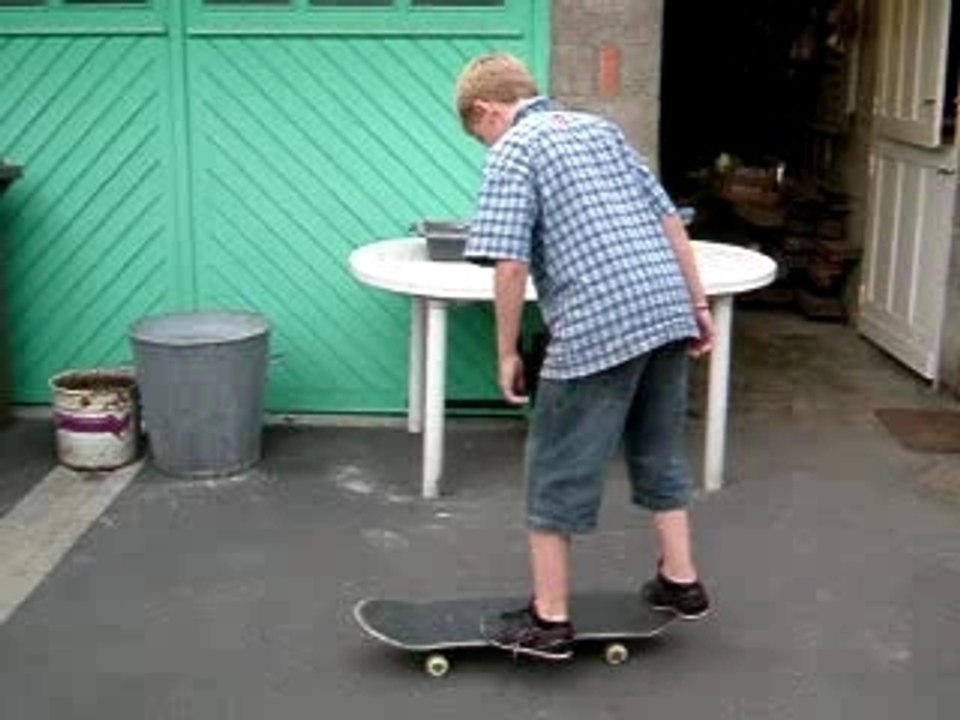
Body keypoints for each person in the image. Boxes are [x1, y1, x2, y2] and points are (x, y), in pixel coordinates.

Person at [456, 53, 715, 661]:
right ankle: (682, 582)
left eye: (479, 134)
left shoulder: (514, 150)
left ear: (486, 110)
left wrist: (505, 353)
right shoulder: (601, 129)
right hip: (665, 307)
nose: (484, 143)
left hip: (600, 321)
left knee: (555, 465)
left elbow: (511, 263)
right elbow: (668, 221)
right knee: (657, 445)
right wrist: (698, 304)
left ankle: (550, 621)